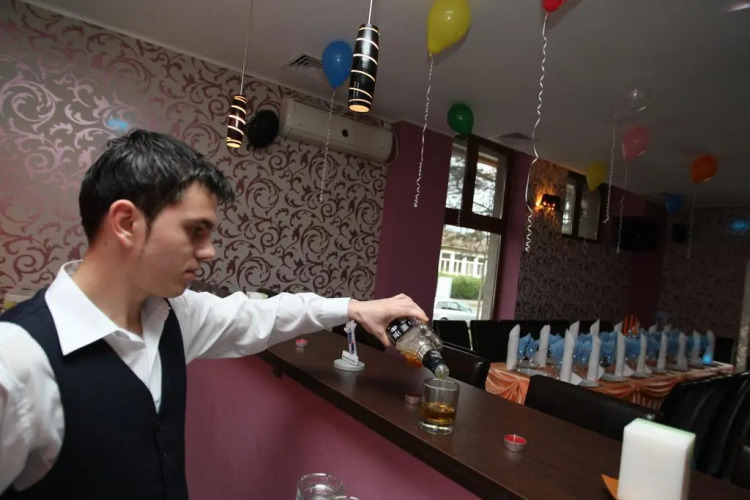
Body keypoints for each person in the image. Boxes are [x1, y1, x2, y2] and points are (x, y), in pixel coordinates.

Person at [0, 130, 428, 499]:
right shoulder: (16, 360)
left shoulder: (171, 316)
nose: (209, 252)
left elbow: (261, 315)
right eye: (195, 231)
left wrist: (352, 308)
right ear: (127, 223)